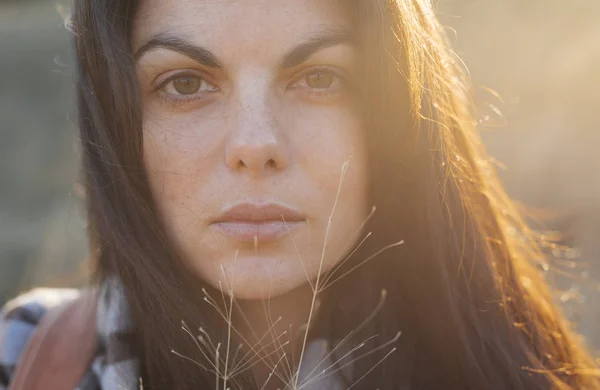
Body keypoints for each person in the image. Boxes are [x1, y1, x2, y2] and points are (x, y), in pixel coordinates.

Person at [1, 0, 598, 389]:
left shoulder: (514, 374)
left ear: (395, 119)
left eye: (319, 78)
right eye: (185, 83)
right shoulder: (29, 358)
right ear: (117, 120)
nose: (256, 144)